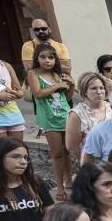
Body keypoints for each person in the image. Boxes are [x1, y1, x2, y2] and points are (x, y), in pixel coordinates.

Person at [27, 43, 74, 201]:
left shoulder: (58, 74)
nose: (47, 61)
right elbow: (38, 94)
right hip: (49, 118)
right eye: (43, 57)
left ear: (56, 60)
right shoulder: (33, 73)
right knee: (57, 153)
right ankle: (60, 187)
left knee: (67, 151)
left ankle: (69, 181)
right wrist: (57, 86)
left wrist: (71, 86)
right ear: (37, 58)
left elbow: (66, 98)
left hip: (64, 115)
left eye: (51, 57)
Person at [66, 72, 112, 162]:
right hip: (92, 164)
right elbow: (72, 147)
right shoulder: (77, 114)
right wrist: (87, 162)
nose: (99, 92)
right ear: (85, 91)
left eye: (101, 88)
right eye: (93, 88)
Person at [0, 58, 26, 143]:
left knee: (17, 148)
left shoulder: (6, 66)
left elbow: (19, 90)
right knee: (1, 152)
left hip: (13, 115)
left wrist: (18, 94)